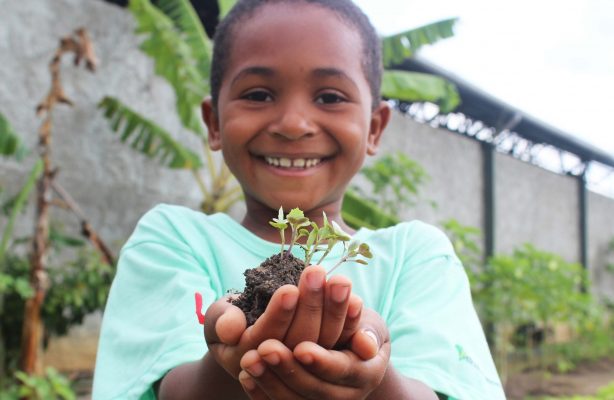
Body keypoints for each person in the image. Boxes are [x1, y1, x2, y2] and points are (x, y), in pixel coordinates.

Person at [92, 0, 506, 399]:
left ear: (375, 128)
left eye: (330, 97)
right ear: (214, 123)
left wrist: (370, 372)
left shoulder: (416, 256)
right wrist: (230, 363)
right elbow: (171, 388)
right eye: (257, 94)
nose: (293, 125)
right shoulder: (171, 239)